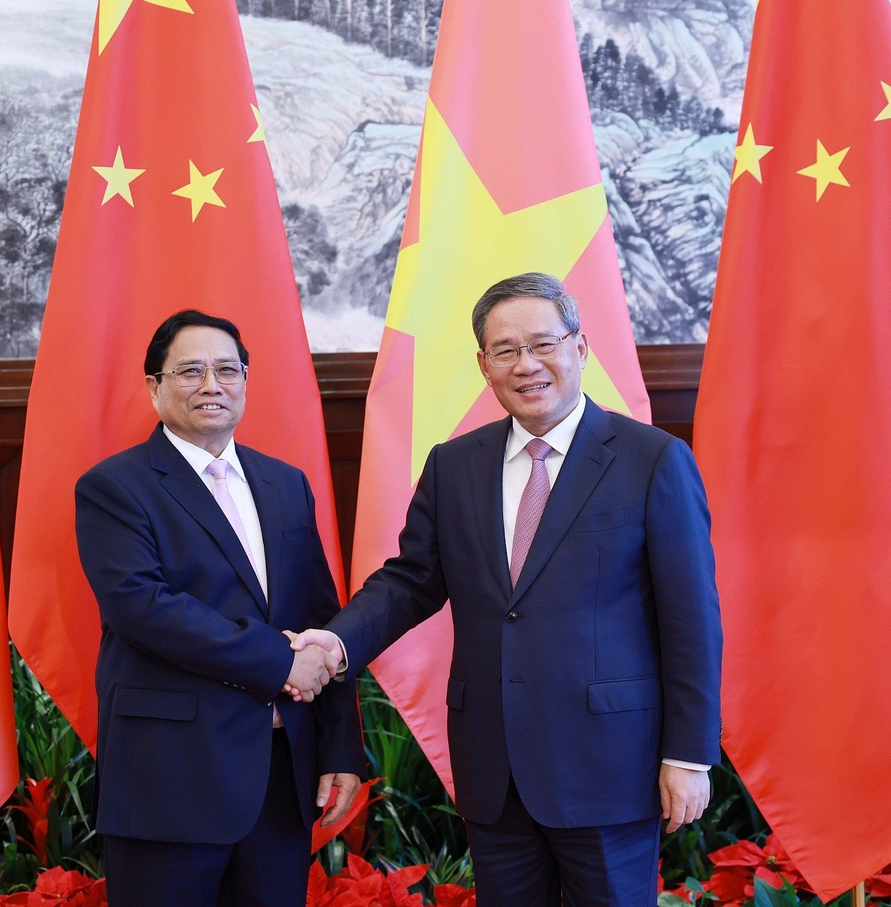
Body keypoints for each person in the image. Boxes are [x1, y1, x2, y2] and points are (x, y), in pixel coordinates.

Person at [290, 272, 722, 906]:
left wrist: (688, 754)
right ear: (483, 364)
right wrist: (333, 642)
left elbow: (691, 618)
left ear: (579, 346)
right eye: (506, 350)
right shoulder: (455, 464)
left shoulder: (651, 460)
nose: (528, 365)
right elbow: (411, 581)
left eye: (544, 344)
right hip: (495, 766)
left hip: (609, 765)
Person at [75, 310, 364, 907]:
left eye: (227, 370)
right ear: (155, 387)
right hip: (170, 782)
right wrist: (277, 661)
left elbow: (320, 618)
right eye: (191, 371)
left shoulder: (286, 484)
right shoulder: (115, 487)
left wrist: (338, 748)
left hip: (280, 781)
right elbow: (140, 606)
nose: (212, 385)